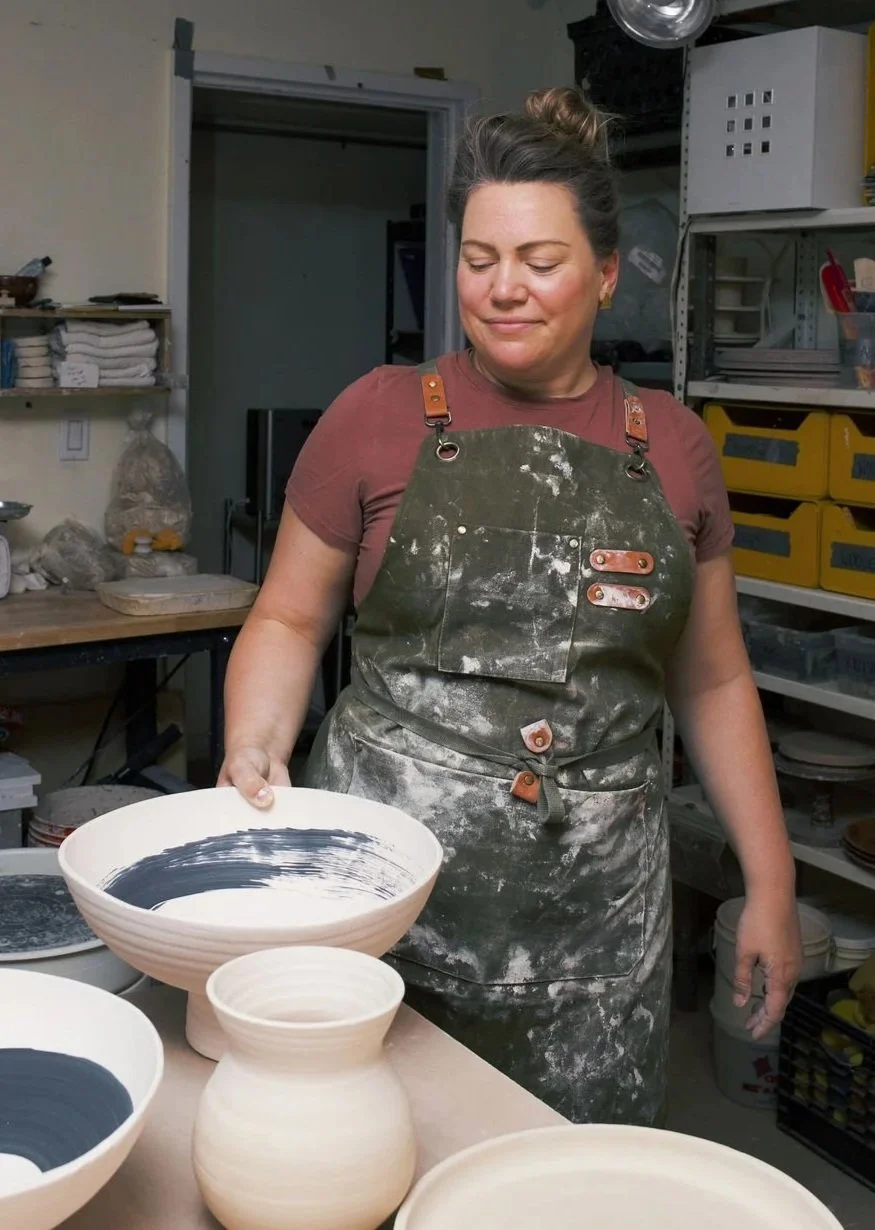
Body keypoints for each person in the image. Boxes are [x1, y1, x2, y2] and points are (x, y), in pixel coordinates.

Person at [219, 86, 802, 1126]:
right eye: (479, 259)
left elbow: (712, 680)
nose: (502, 290)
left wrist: (769, 881)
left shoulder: (672, 446)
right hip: (382, 896)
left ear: (606, 273)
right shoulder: (375, 416)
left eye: (539, 261)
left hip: (593, 927)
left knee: (570, 1178)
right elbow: (288, 620)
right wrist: (252, 745)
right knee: (359, 1153)